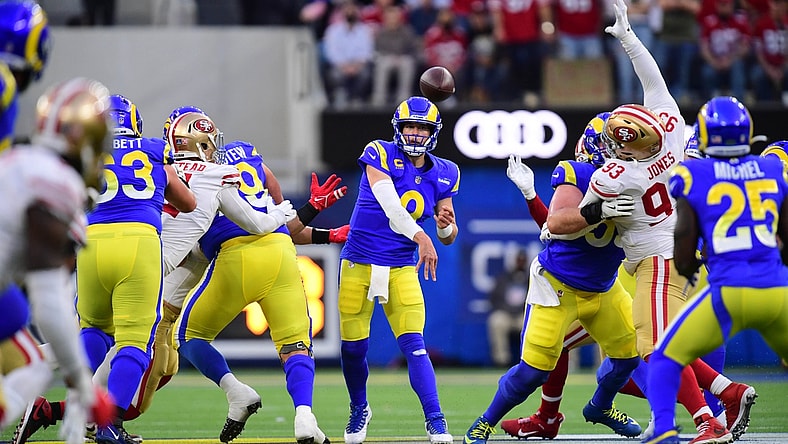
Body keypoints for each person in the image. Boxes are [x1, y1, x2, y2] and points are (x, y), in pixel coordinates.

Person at [552, 1, 754, 442]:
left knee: (657, 348)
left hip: (656, 261)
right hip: (679, 251)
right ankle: (724, 393)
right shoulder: (673, 130)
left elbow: (564, 224)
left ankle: (709, 418)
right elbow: (654, 80)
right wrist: (629, 38)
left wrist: (586, 213)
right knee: (654, 345)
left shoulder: (615, 175)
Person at [463, 110, 644, 443]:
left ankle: (600, 407)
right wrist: (599, 210)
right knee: (533, 372)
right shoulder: (578, 173)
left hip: (604, 288)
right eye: (620, 145)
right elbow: (557, 223)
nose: (627, 153)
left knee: (627, 359)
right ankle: (485, 422)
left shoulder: (640, 182)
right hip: (558, 286)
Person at [646, 96, 788, 444]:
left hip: (729, 291)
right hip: (775, 289)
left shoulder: (691, 173)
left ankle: (664, 431)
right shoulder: (771, 170)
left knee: (664, 358)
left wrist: (687, 265)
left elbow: (683, 235)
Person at [172, 138, 331, 444]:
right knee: (295, 345)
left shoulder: (186, 171)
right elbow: (282, 215)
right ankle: (304, 415)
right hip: (280, 250)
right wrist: (322, 225)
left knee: (188, 336)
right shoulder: (247, 153)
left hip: (236, 254)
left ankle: (236, 392)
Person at [75, 94, 196, 444]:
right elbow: (188, 203)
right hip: (139, 241)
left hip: (92, 240)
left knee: (93, 329)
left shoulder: (85, 151)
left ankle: (75, 404)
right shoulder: (154, 149)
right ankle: (109, 424)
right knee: (135, 340)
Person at [338, 96, 459, 444]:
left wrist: (444, 227)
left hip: (400, 267)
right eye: (410, 126)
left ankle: (435, 419)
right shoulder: (378, 152)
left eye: (422, 128)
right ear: (398, 128)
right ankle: (359, 407)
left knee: (415, 346)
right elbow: (391, 205)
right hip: (358, 262)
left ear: (433, 132)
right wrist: (422, 236)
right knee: (353, 349)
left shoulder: (446, 171)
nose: (416, 133)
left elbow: (449, 234)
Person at [0, 77, 115, 444]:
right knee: (32, 368)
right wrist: (83, 384)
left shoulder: (14, 159)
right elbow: (49, 302)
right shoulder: (56, 182)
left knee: (16, 325)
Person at [487, 250, 529, 368]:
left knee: (533, 324)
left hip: (523, 314)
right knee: (497, 321)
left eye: (522, 261)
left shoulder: (531, 278)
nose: (520, 263)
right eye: (518, 260)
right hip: (506, 314)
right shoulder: (503, 278)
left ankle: (530, 361)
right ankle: (501, 360)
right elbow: (494, 299)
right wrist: (507, 309)